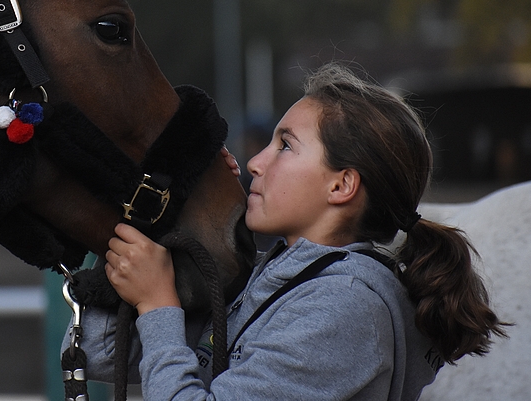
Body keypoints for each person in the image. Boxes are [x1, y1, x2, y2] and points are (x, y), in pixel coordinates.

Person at [71, 62, 507, 400]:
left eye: (284, 146)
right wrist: (176, 209)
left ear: (341, 185)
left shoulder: (345, 308)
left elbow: (152, 335)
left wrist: (158, 304)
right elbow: (99, 351)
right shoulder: (277, 278)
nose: (256, 163)